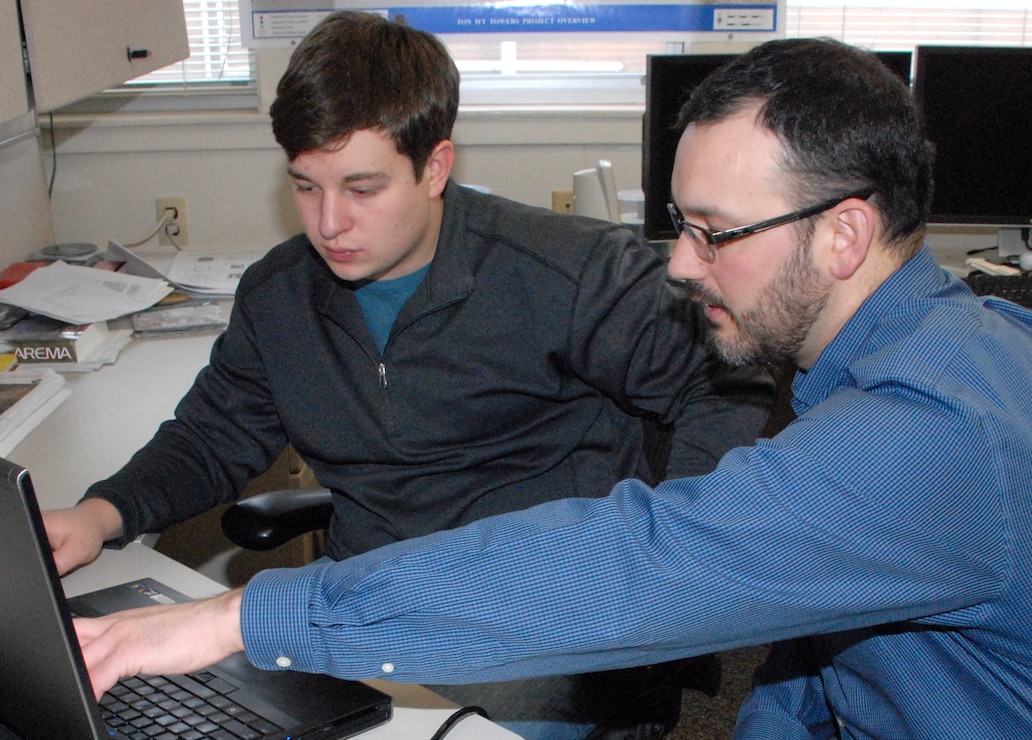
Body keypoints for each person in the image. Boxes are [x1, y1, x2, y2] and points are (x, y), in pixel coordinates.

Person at [73, 34, 1032, 736]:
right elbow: (822, 657)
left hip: (523, 626)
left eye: (715, 231)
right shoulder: (934, 351)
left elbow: (641, 562)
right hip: (418, 606)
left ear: (845, 234)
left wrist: (247, 612)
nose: (685, 267)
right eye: (681, 224)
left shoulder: (925, 438)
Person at [46, 10, 773, 740]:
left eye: (362, 189)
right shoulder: (281, 295)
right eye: (306, 186)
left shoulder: (569, 274)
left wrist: (668, 556)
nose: (329, 223)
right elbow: (213, 436)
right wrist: (99, 516)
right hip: (357, 607)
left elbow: (724, 381)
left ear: (435, 167)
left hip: (529, 619)